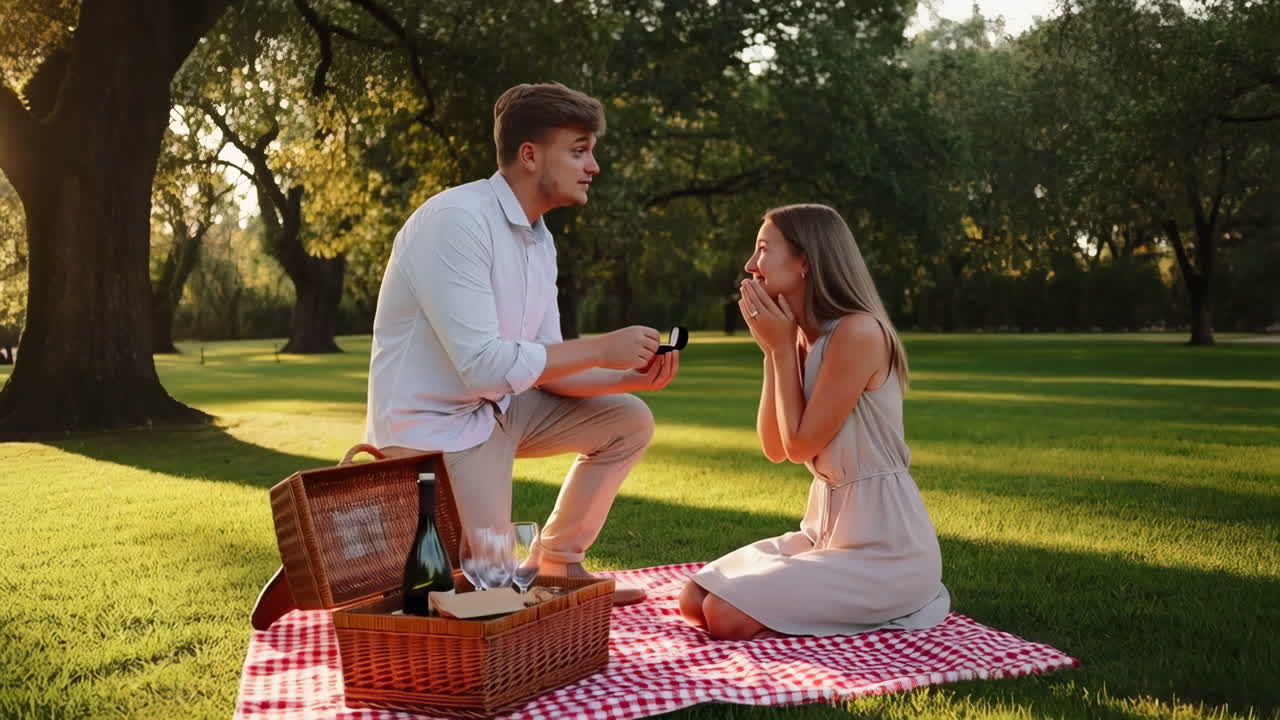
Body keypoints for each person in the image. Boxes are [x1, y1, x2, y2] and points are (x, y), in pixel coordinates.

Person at [364, 83, 680, 605]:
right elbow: (485, 367)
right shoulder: (456, 221)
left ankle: (558, 560)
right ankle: (505, 581)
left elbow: (546, 362)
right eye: (579, 150)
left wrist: (630, 374)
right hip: (435, 428)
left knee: (628, 419)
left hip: (498, 407)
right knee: (495, 586)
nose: (593, 166)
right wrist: (602, 348)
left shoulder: (538, 237)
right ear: (529, 156)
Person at [679, 204, 949, 638]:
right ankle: (811, 608)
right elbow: (775, 447)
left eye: (763, 249)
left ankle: (862, 608)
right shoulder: (803, 339)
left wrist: (782, 350)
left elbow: (801, 445)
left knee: (725, 616)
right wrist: (775, 350)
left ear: (805, 260)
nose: (750, 266)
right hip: (823, 536)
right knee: (694, 600)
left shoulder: (857, 333)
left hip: (885, 551)